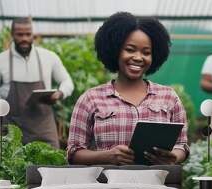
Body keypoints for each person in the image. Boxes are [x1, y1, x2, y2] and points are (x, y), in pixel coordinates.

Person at [67, 12, 189, 165]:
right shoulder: (91, 99)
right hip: (108, 186)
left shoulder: (168, 97)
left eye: (146, 52)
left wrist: (173, 156)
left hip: (155, 185)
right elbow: (73, 152)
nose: (138, 57)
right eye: (130, 49)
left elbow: (182, 145)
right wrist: (106, 156)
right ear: (115, 50)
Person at [0, 17, 74, 148]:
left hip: (44, 129)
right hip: (13, 131)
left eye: (28, 34)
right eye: (20, 35)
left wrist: (60, 93)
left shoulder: (49, 57)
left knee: (52, 164)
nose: (24, 38)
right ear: (12, 35)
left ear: (33, 35)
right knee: (11, 167)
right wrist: (2, 95)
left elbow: (67, 81)